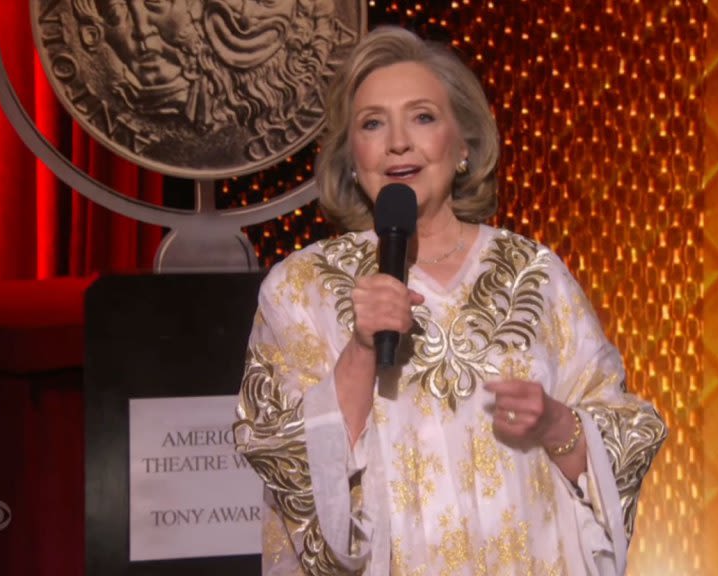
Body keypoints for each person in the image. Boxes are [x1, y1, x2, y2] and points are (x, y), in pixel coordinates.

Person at [234, 26, 667, 575]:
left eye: (422, 117)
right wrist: (361, 351)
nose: (397, 142)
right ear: (351, 155)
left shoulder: (536, 274)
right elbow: (282, 456)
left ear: (463, 144)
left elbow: (623, 434)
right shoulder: (299, 289)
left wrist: (557, 425)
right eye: (372, 124)